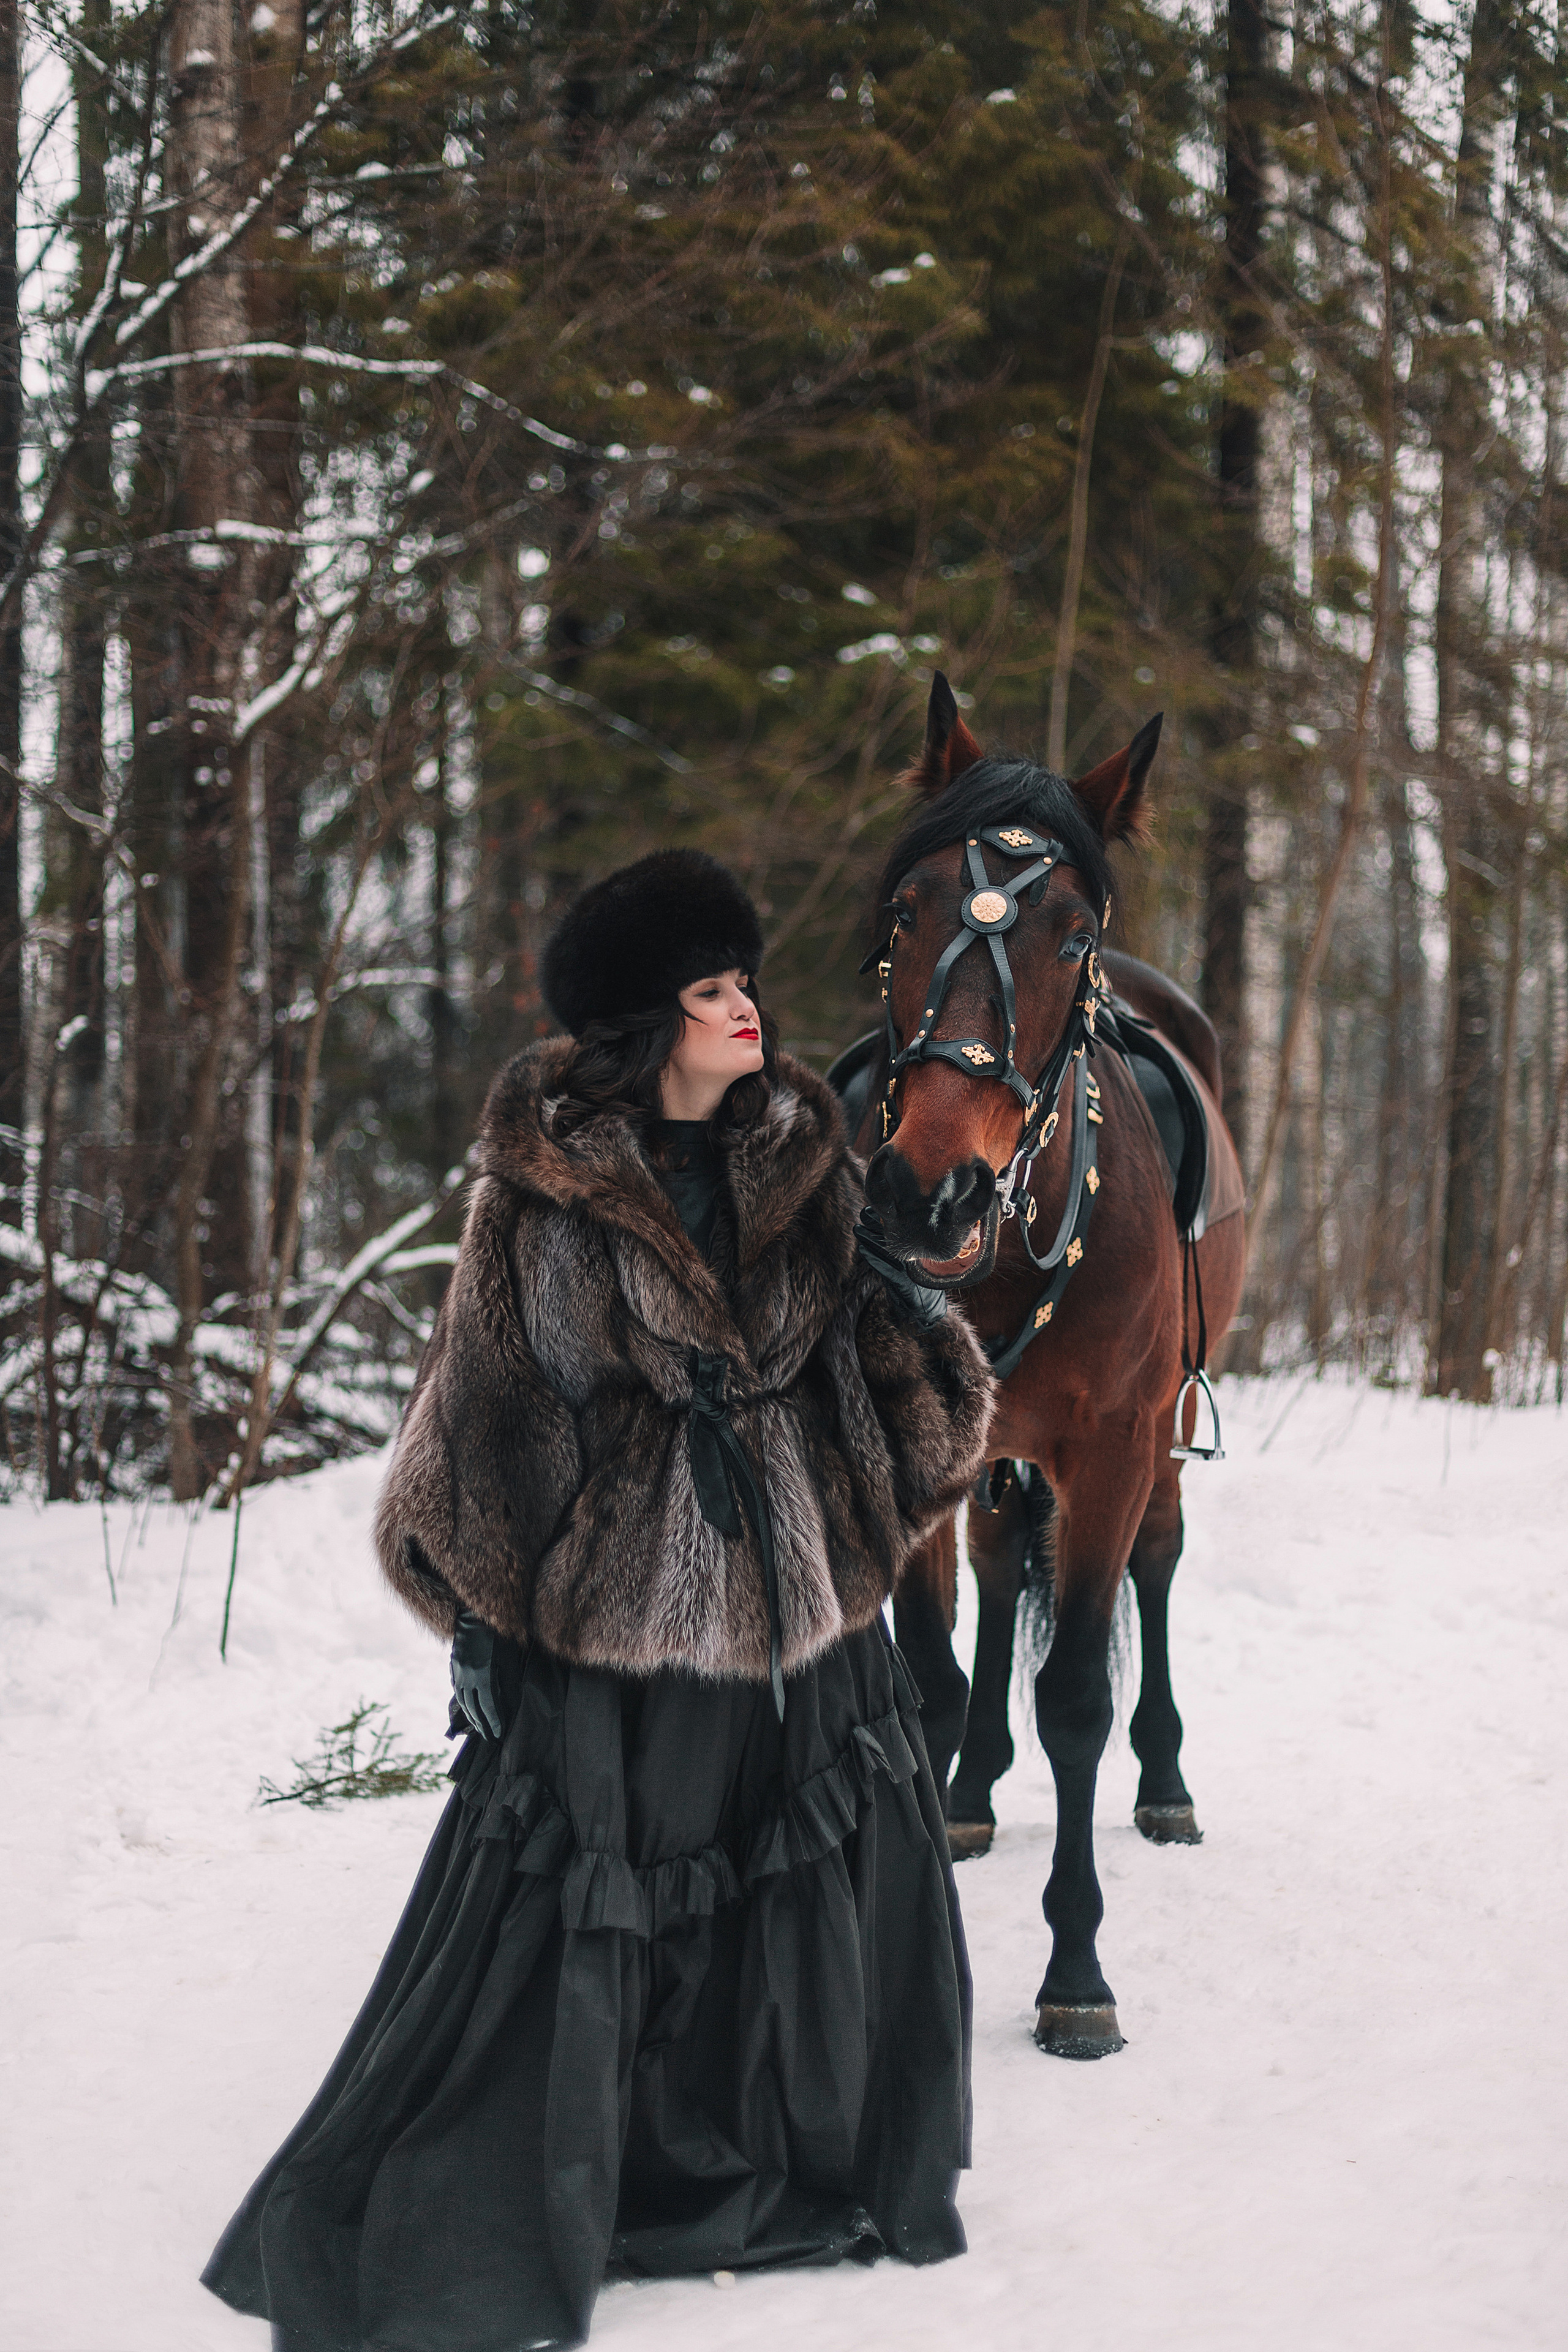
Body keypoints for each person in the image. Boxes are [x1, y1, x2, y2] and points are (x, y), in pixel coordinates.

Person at [202, 849, 997, 2352]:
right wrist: (487, 1623)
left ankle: (806, 2165)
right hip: (618, 1606)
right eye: (711, 989)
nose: (746, 1008)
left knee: (806, 1879)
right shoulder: (541, 1193)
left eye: (746, 980)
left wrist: (906, 1314)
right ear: (648, 1021)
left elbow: (896, 1411)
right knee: (605, 1894)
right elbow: (489, 1415)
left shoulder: (806, 1159)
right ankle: (591, 2184)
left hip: (804, 1587)